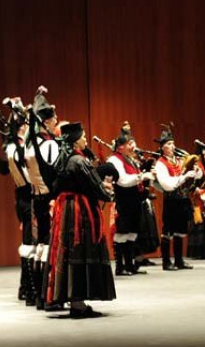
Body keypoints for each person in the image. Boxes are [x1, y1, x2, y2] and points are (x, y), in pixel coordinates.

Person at [46, 122, 116, 318]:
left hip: (67, 209)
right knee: (80, 249)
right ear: (76, 141)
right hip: (79, 211)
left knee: (68, 251)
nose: (86, 139)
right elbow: (94, 185)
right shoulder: (78, 160)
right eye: (84, 136)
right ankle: (77, 303)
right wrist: (107, 194)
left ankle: (75, 300)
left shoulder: (64, 159)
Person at [0, 97, 34, 304]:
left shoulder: (20, 145)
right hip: (27, 199)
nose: (26, 127)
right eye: (24, 124)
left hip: (28, 198)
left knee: (32, 243)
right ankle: (27, 286)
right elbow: (6, 169)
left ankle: (28, 285)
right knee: (30, 243)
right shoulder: (14, 148)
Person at [25, 86, 62, 309]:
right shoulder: (49, 144)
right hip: (49, 197)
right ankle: (47, 296)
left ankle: (38, 295)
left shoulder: (31, 144)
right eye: (54, 117)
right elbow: (55, 173)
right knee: (49, 246)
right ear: (46, 122)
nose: (57, 119)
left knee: (40, 245)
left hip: (36, 197)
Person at [107, 121, 154, 276]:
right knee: (122, 232)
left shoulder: (130, 159)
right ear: (120, 147)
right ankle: (120, 266)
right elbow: (123, 180)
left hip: (133, 200)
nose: (132, 147)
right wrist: (141, 176)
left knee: (132, 232)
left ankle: (130, 264)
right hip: (123, 199)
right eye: (128, 144)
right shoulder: (114, 160)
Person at [153, 123, 200, 270]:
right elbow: (167, 184)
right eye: (169, 144)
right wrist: (184, 177)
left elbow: (194, 176)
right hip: (171, 200)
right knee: (168, 231)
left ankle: (179, 260)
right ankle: (166, 262)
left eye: (173, 143)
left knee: (181, 230)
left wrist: (196, 171)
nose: (173, 146)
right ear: (162, 147)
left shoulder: (179, 160)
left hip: (183, 200)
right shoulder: (160, 164)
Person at [186, 140, 205, 259]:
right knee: (199, 224)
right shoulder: (197, 167)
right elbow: (191, 183)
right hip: (198, 199)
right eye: (204, 154)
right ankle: (199, 252)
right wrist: (195, 189)